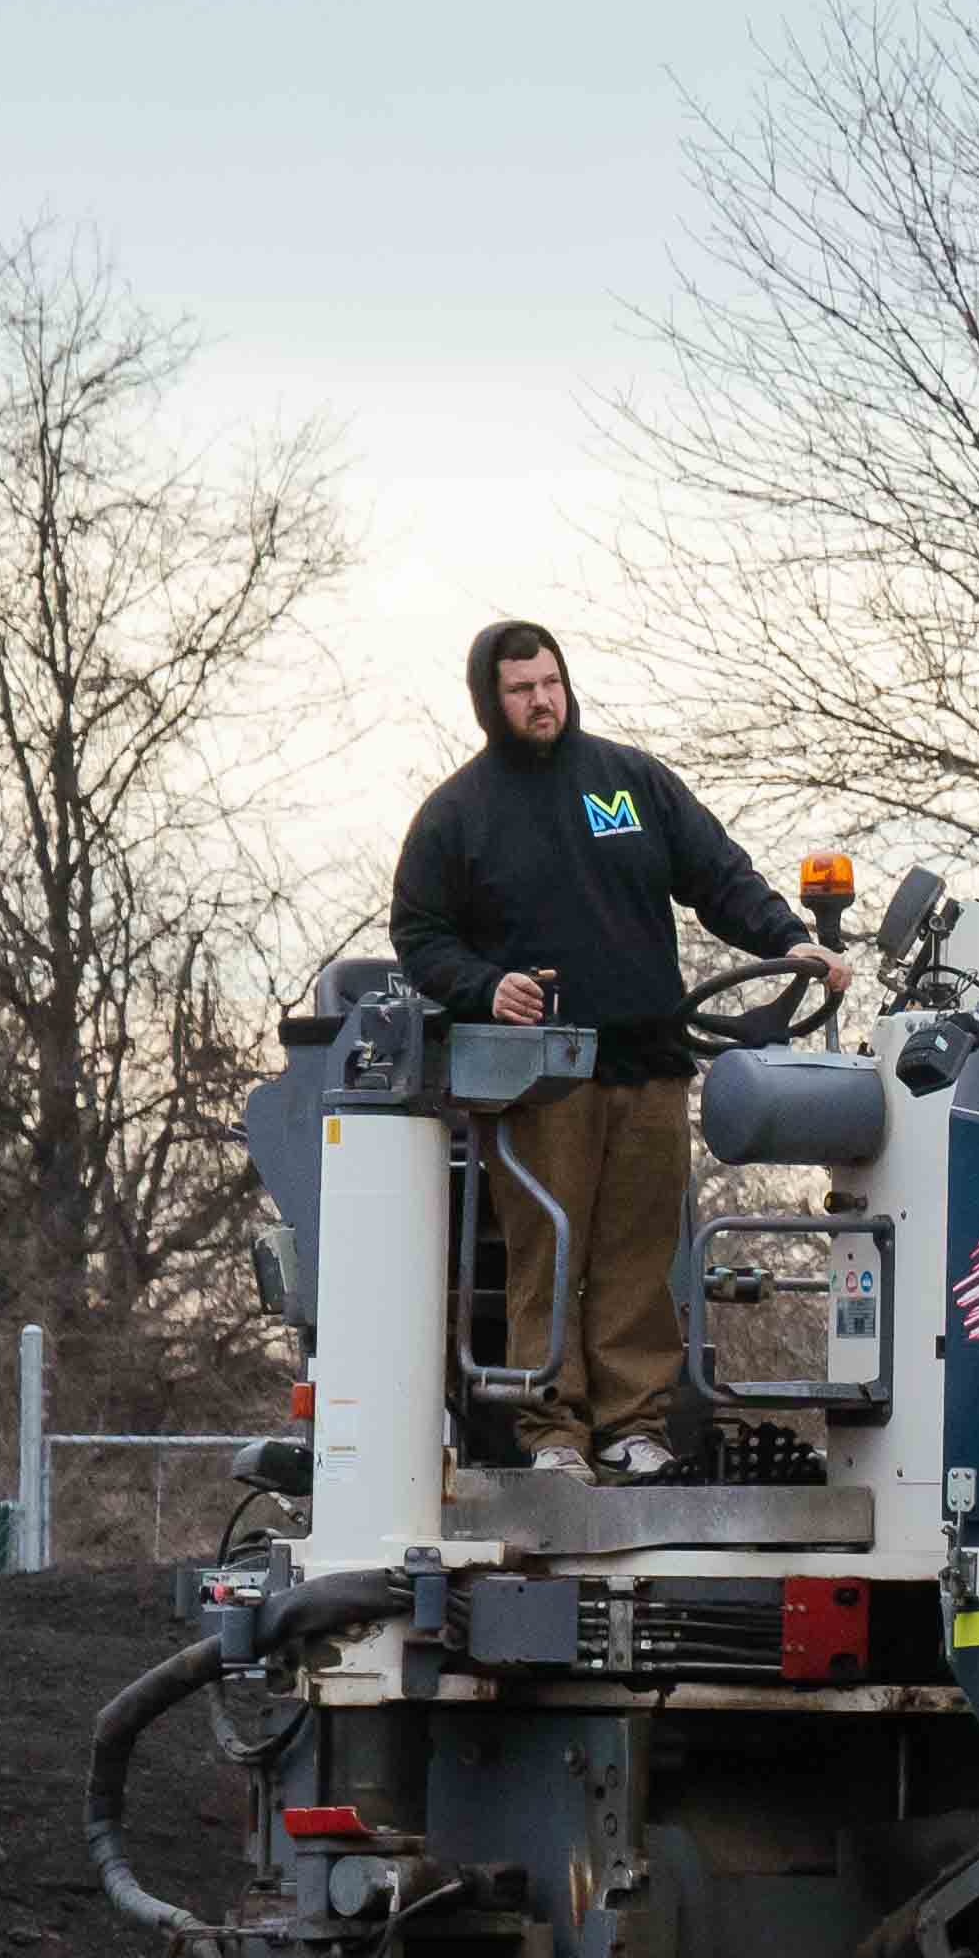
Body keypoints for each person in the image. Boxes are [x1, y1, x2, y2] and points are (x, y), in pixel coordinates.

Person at [387, 621, 822, 1480]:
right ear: (491, 700)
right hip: (541, 1076)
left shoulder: (629, 782)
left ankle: (634, 1426)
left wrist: (789, 938)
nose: (542, 700)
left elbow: (717, 874)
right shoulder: (458, 814)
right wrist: (484, 987)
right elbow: (420, 933)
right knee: (548, 1253)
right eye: (521, 689)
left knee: (638, 1257)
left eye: (550, 681)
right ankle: (552, 1432)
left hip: (650, 1062)